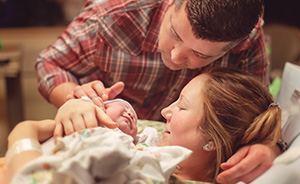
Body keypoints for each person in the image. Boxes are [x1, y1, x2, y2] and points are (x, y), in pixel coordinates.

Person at [35, 0, 273, 182]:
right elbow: (50, 64)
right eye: (175, 35)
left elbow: (256, 113)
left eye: (201, 55)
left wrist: (270, 146)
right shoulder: (113, 14)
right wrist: (79, 103)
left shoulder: (248, 41)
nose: (176, 57)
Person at [4, 67, 282, 183]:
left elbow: (28, 180)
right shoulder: (156, 142)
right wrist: (76, 108)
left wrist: (25, 131)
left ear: (214, 141)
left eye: (182, 106)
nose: (165, 111)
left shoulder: (146, 172)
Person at [55, 97, 138, 139]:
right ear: (103, 107)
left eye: (135, 122)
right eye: (125, 107)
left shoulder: (128, 143)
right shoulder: (88, 108)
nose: (131, 115)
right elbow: (83, 102)